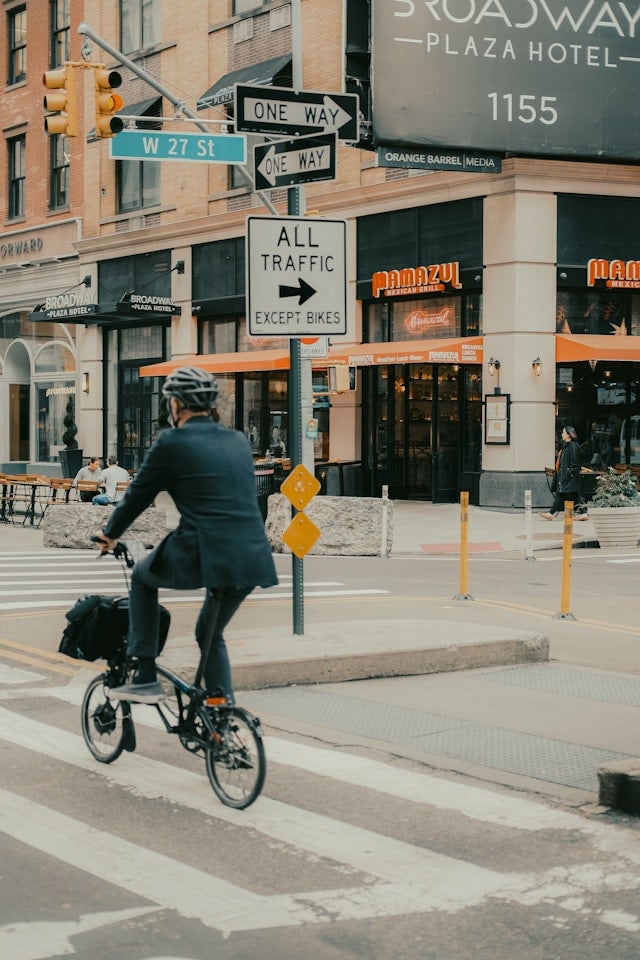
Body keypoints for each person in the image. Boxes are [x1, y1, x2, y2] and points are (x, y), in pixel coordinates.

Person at [94, 366, 278, 703]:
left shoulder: (171, 441)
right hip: (252, 555)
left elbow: (137, 496)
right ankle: (221, 712)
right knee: (210, 633)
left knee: (142, 577)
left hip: (203, 548)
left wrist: (109, 534)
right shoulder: (238, 440)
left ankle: (146, 676)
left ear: (176, 405)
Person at [539, 425, 588, 521]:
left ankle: (550, 514)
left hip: (569, 477)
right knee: (574, 494)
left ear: (569, 435)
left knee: (561, 494)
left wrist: (568, 473)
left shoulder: (573, 446)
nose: (562, 434)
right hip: (567, 477)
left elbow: (574, 463)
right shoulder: (567, 446)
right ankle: (584, 513)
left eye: (563, 433)